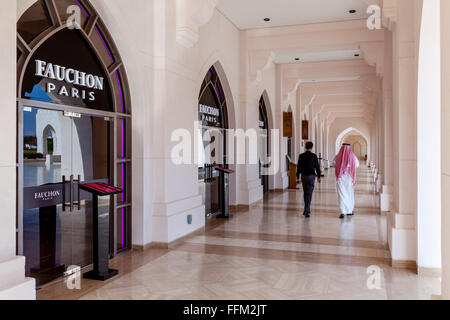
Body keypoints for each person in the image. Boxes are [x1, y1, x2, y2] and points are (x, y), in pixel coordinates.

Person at [334, 144, 360, 219]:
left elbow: (334, 164)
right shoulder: (352, 156)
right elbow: (357, 165)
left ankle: (342, 212)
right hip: (349, 179)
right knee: (349, 194)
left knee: (342, 194)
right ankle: (349, 211)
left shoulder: (338, 156)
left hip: (341, 179)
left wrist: (341, 166)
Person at [296, 142, 321, 218]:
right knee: (309, 193)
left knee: (305, 192)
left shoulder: (301, 156)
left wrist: (297, 177)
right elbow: (317, 167)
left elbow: (299, 167)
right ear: (311, 147)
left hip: (304, 177)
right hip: (311, 177)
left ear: (305, 147)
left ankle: (307, 208)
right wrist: (319, 177)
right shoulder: (314, 156)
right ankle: (306, 210)